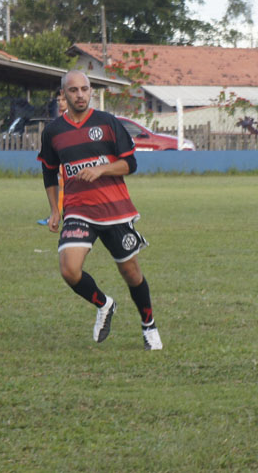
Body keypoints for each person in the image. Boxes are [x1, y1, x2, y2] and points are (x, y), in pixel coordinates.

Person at [37, 70, 162, 350]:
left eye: (84, 89)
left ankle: (149, 326)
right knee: (69, 270)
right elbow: (48, 171)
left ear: (91, 91)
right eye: (73, 90)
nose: (80, 95)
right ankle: (104, 304)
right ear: (63, 95)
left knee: (131, 274)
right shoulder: (54, 132)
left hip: (114, 209)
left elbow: (131, 164)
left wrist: (102, 169)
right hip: (78, 210)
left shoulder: (108, 123)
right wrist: (54, 210)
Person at [38, 92, 68, 226]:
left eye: (63, 99)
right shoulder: (58, 122)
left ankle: (58, 214)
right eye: (58, 100)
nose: (60, 102)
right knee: (60, 185)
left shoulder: (70, 119)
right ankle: (56, 213)